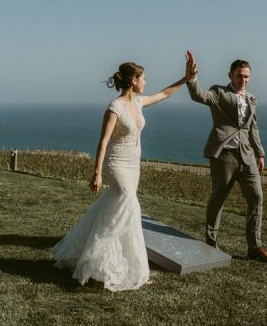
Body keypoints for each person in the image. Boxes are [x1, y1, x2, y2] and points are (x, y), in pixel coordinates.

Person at [52, 60, 191, 291]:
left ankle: (111, 261)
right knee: (130, 204)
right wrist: (97, 173)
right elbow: (103, 142)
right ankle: (103, 260)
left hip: (133, 165)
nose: (146, 81)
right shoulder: (114, 107)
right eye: (143, 77)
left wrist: (186, 79)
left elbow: (165, 93)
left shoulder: (138, 102)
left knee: (115, 206)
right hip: (116, 164)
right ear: (133, 80)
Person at [185, 50, 267, 262]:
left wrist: (260, 153)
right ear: (230, 76)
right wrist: (192, 78)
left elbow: (253, 127)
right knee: (218, 198)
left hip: (248, 157)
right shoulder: (219, 92)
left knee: (256, 197)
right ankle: (210, 242)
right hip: (224, 155)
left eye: (246, 76)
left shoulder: (252, 98)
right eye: (239, 76)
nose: (243, 80)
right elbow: (199, 95)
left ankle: (255, 247)